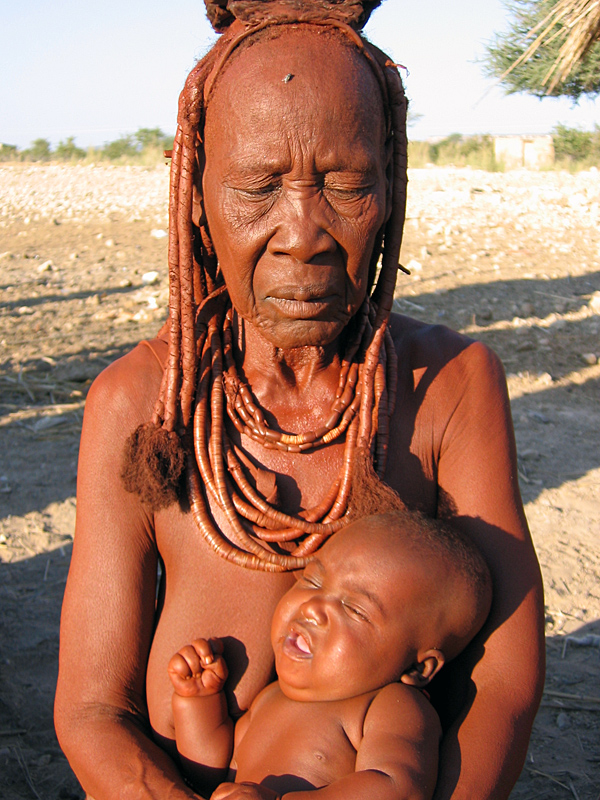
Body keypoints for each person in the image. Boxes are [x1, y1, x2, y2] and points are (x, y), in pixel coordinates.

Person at [54, 2, 545, 799]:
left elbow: (506, 693)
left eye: (347, 184)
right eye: (257, 185)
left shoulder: (452, 385)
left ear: (391, 186)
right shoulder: (138, 400)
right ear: (196, 198)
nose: (303, 233)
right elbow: (89, 709)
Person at [168, 510, 492, 800]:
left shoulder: (389, 706)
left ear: (419, 667)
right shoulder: (272, 697)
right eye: (313, 580)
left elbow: (397, 788)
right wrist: (198, 703)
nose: (312, 607)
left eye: (354, 609)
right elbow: (211, 771)